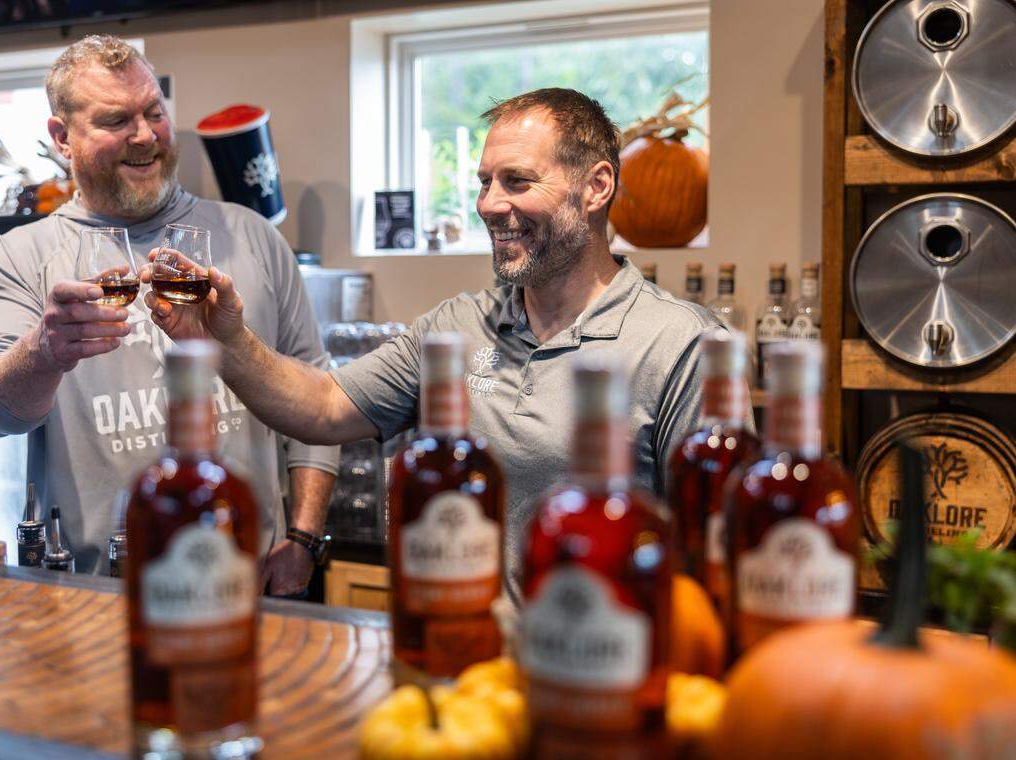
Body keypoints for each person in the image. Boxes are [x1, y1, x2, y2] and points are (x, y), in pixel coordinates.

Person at [144, 87, 722, 604]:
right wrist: (226, 341)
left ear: (596, 186)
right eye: (485, 182)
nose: (490, 204)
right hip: (453, 670)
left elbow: (709, 557)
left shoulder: (680, 344)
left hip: (595, 683)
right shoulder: (456, 329)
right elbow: (321, 406)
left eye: (517, 181)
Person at [0, 35, 339, 592]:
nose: (145, 136)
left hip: (248, 580)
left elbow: (318, 396)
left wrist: (305, 539)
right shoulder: (17, 257)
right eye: (117, 120)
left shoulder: (251, 236)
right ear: (63, 138)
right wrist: (45, 352)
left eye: (154, 113)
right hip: (98, 590)